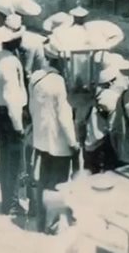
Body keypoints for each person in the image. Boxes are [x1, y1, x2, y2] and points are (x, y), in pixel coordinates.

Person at [29, 32, 79, 232]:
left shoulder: (35, 77)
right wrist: (73, 142)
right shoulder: (58, 82)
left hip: (41, 137)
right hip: (58, 142)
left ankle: (41, 220)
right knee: (57, 183)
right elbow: (64, 118)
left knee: (43, 178)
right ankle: (51, 224)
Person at [0, 14, 29, 216]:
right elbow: (12, 95)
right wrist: (18, 125)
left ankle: (8, 200)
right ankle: (12, 203)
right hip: (10, 113)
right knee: (13, 160)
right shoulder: (11, 62)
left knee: (5, 157)